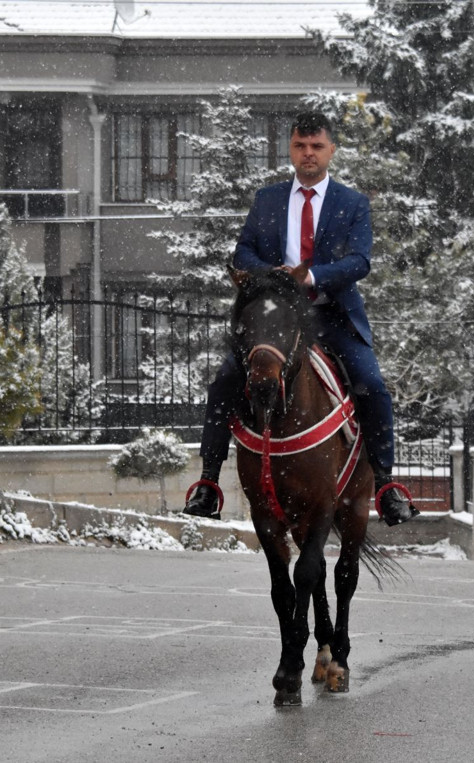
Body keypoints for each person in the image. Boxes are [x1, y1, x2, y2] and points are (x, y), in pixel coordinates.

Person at [184, 111, 419, 526]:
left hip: (332, 316)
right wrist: (273, 277)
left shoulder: (352, 203)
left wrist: (312, 276)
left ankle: (386, 486)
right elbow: (244, 251)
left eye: (316, 146)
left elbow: (359, 261)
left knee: (372, 385)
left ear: (331, 151)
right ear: (290, 150)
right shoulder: (267, 199)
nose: (308, 153)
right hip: (277, 318)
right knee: (224, 381)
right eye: (300, 146)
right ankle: (208, 483)